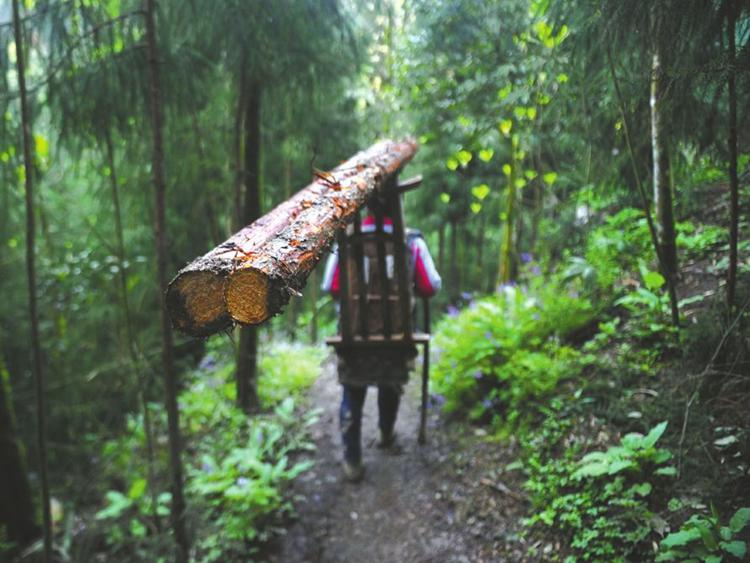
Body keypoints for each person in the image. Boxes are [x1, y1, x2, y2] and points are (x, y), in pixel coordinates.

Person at [321, 198, 441, 482]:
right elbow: (430, 286)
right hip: (397, 335)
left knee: (353, 387)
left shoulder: (346, 241)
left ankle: (352, 461)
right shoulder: (411, 241)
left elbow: (330, 286)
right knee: (390, 378)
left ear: (366, 205)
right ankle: (386, 433)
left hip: (354, 334)